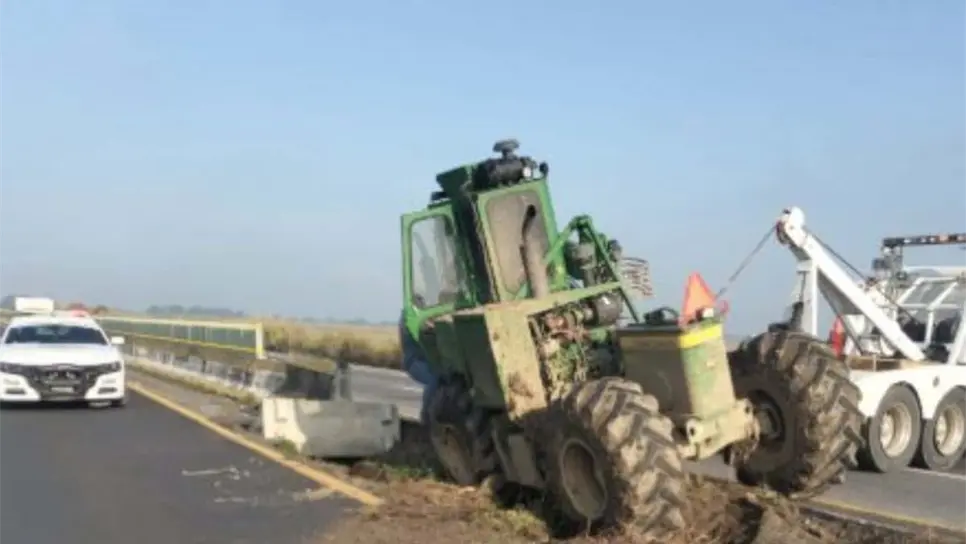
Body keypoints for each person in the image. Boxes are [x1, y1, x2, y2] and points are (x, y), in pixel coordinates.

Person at [399, 308, 438, 425]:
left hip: (429, 361)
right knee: (434, 380)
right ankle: (426, 417)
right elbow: (414, 332)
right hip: (414, 361)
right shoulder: (409, 316)